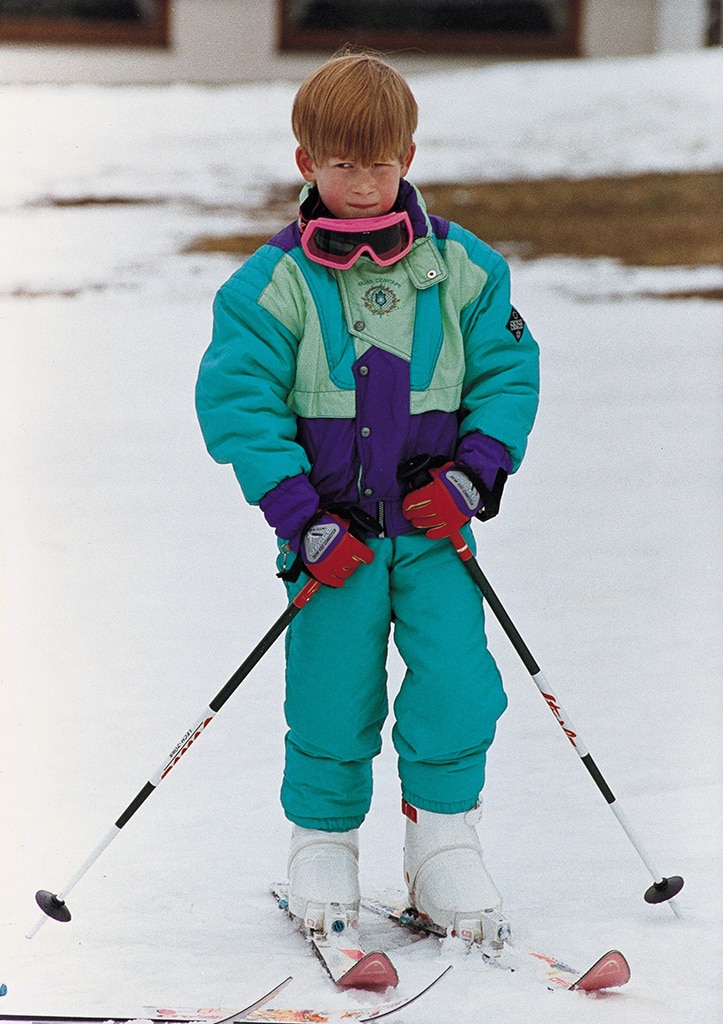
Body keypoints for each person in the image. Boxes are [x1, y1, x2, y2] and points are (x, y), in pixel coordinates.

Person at [195, 52, 539, 945]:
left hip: (434, 529)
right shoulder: (268, 286)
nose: (361, 183)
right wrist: (300, 520)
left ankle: (443, 845)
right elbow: (238, 406)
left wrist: (470, 474)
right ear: (306, 161)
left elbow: (508, 372)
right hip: (334, 539)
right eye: (342, 164)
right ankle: (322, 840)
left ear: (409, 155)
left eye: (379, 163)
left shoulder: (461, 267)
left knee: (460, 682)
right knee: (331, 690)